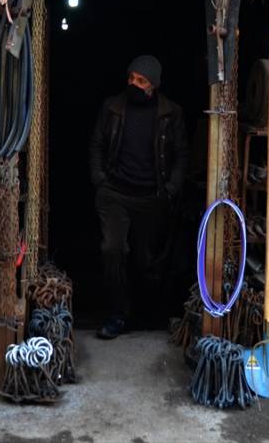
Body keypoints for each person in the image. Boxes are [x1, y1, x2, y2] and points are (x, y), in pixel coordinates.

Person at [89, 55, 188, 339]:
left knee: (146, 260)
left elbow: (182, 155)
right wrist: (100, 181)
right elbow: (96, 144)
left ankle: (145, 314)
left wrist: (170, 190)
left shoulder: (171, 114)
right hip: (115, 194)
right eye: (131, 78)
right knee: (113, 249)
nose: (134, 83)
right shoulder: (112, 108)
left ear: (153, 85)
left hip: (151, 196)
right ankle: (118, 314)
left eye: (141, 80)